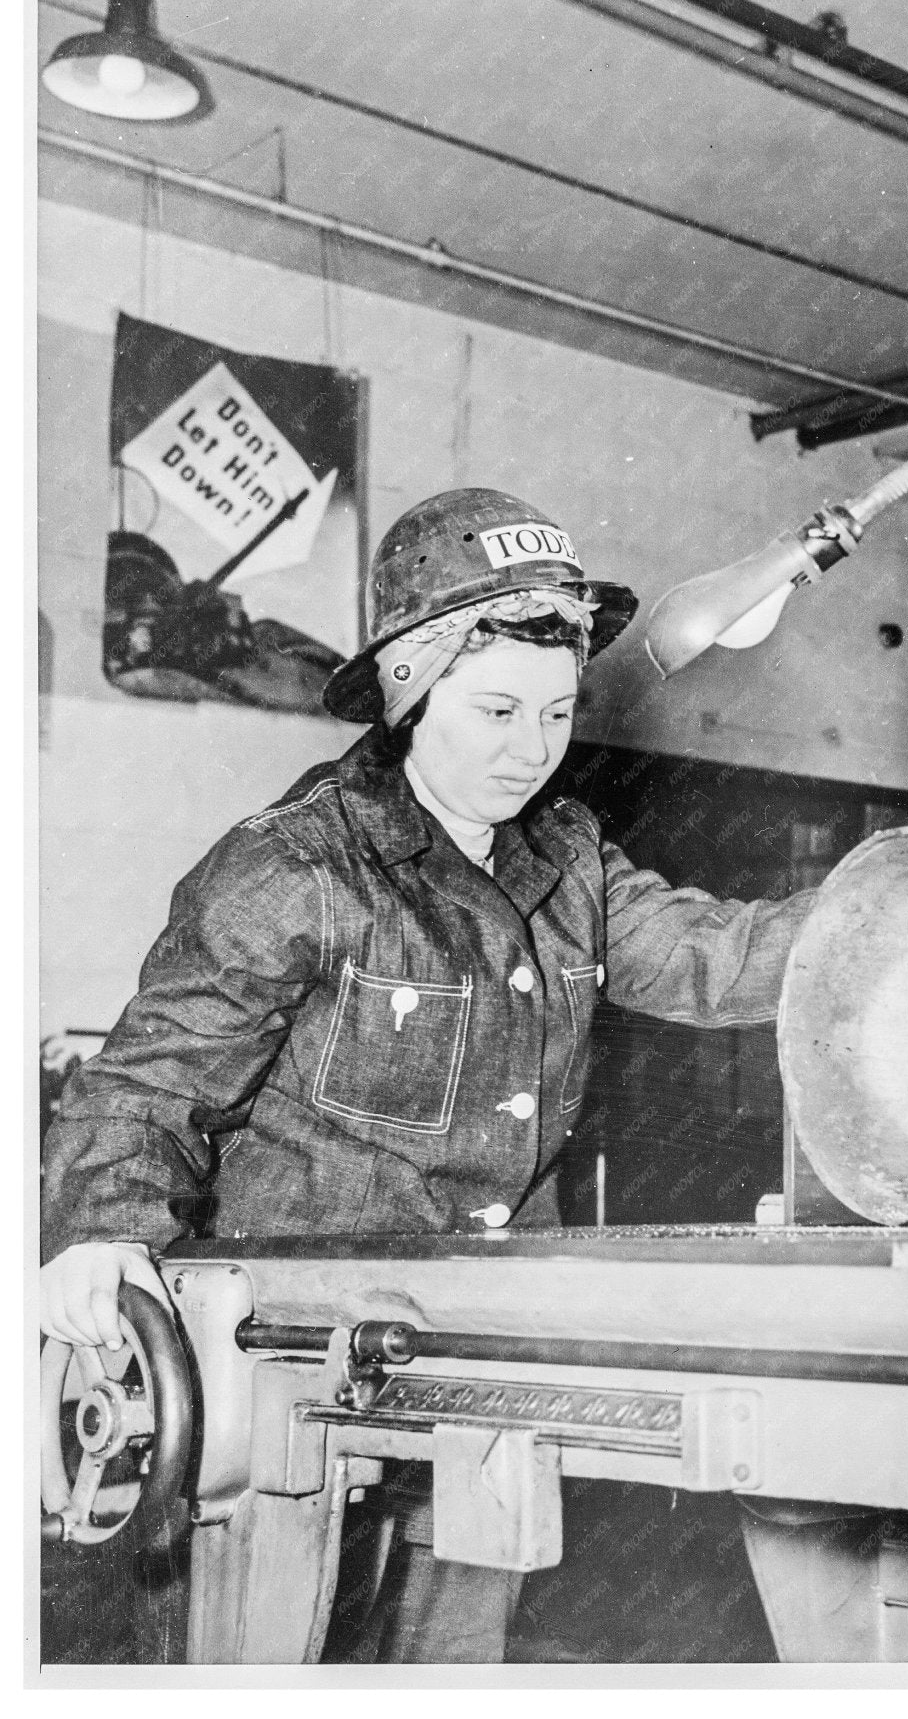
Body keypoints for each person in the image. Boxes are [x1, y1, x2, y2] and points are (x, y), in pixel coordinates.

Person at [40, 486, 817, 1660]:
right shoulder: (293, 868)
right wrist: (100, 1230)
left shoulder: (569, 858)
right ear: (410, 686)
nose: (532, 747)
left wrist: (898, 919)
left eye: (555, 712)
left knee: (453, 1666)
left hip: (482, 1374)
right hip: (296, 1385)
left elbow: (718, 956)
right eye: (497, 707)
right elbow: (146, 1084)